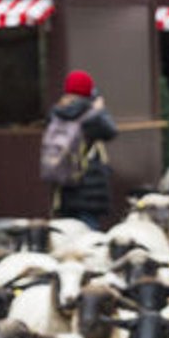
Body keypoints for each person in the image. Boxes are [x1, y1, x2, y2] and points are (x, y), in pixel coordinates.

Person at [47, 70, 117, 229]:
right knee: (88, 238)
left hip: (63, 182)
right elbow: (111, 131)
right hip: (88, 186)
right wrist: (100, 110)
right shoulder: (90, 115)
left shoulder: (57, 113)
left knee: (67, 232)